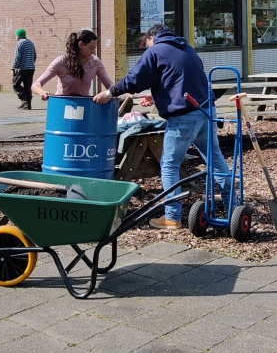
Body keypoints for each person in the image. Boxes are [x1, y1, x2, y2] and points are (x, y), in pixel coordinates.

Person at [93, 24, 231, 230]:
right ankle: (233, 206)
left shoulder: (155, 50)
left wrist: (109, 93)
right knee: (215, 159)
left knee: (169, 165)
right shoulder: (187, 48)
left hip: (183, 116)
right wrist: (157, 95)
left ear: (151, 38)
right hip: (206, 110)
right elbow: (182, 79)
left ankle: (172, 217)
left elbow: (134, 79)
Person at [32, 29, 114, 100]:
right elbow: (35, 85)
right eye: (91, 48)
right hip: (62, 104)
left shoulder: (95, 62)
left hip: (84, 105)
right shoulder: (61, 61)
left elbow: (109, 85)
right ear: (81, 44)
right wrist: (42, 92)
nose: (93, 52)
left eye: (94, 48)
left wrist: (110, 94)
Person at [10, 29, 37, 110]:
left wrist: (14, 68)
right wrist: (30, 63)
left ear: (18, 36)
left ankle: (24, 102)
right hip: (31, 68)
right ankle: (28, 105)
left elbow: (17, 57)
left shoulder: (20, 43)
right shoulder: (30, 43)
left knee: (16, 85)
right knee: (27, 86)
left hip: (22, 68)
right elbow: (34, 56)